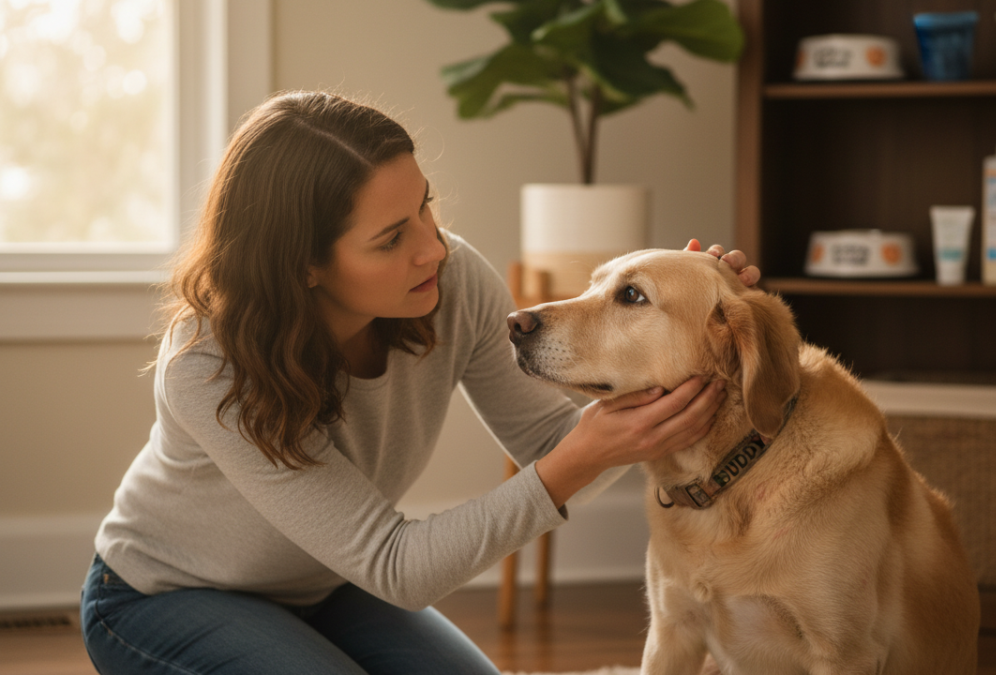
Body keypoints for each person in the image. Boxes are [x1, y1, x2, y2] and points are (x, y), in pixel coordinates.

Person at [80, 90, 760, 675]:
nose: (433, 246)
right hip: (161, 594)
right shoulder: (208, 363)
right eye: (391, 237)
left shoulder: (449, 278)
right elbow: (397, 564)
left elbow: (551, 438)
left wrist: (691, 341)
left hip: (327, 582)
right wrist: (584, 454)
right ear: (304, 265)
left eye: (426, 208)